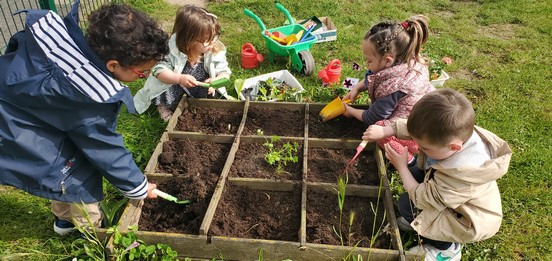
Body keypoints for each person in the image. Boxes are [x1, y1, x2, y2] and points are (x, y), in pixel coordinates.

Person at [0, 1, 169, 235]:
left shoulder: (61, 42)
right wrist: (138, 188)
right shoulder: (88, 99)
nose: (145, 76)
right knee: (74, 172)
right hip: (16, 128)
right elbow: (106, 150)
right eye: (142, 72)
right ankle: (88, 231)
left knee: (64, 160)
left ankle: (63, 221)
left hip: (19, 108)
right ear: (113, 65)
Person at [363, 88, 512, 260]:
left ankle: (448, 249)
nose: (419, 148)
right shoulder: (453, 133)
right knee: (415, 179)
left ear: (454, 147)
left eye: (424, 148)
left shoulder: (461, 174)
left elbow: (422, 199)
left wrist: (401, 167)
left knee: (407, 204)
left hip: (465, 220)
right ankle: (418, 222)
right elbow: (419, 129)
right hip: (444, 192)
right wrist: (388, 130)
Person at [342, 15, 435, 165]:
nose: (366, 64)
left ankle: (407, 160)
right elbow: (373, 76)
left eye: (369, 60)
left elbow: (373, 117)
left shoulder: (396, 87)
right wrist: (357, 88)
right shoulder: (403, 61)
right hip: (424, 117)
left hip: (415, 132)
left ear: (387, 60)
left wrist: (350, 111)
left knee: (379, 132)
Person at [133, 5, 232, 121]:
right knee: (165, 88)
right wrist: (178, 78)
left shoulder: (214, 49)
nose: (212, 43)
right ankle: (163, 106)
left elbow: (224, 72)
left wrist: (216, 81)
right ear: (188, 40)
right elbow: (158, 70)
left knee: (211, 99)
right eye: (206, 40)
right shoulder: (172, 50)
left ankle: (197, 103)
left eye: (214, 37)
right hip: (175, 85)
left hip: (199, 86)